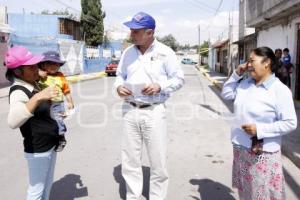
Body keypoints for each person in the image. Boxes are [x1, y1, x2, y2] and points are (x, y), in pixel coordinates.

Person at [114, 12, 184, 200]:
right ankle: (133, 196)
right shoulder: (128, 53)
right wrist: (119, 87)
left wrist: (160, 86)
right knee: (130, 160)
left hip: (154, 111)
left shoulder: (165, 52)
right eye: (131, 30)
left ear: (149, 32)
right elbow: (120, 75)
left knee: (158, 161)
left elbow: (178, 79)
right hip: (130, 110)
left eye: (136, 31)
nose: (131, 34)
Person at [222, 47, 297, 200]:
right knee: (246, 192)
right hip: (241, 147)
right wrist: (237, 74)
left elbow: (290, 123)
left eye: (252, 61)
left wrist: (260, 129)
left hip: (262, 153)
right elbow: (226, 93)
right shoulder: (245, 84)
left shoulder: (279, 90)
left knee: (262, 194)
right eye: (248, 61)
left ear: (267, 63)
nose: (248, 65)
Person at [5, 46, 60, 200]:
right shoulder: (18, 91)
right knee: (36, 192)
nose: (36, 69)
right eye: (31, 67)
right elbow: (13, 121)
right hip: (38, 150)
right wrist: (38, 97)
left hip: (49, 144)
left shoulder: (32, 83)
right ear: (17, 72)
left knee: (46, 187)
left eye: (36, 65)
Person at [38, 51, 74, 152]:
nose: (53, 66)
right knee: (46, 122)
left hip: (57, 104)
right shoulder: (40, 75)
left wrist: (70, 103)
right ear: (43, 65)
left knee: (58, 120)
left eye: (56, 64)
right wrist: (38, 73)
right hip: (42, 104)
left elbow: (66, 91)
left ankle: (61, 138)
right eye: (50, 63)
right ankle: (50, 137)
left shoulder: (60, 76)